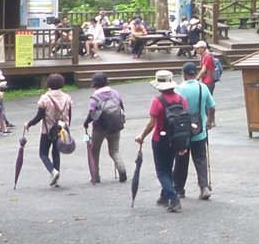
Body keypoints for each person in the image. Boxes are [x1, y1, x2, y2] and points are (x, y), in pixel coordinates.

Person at [134, 69, 188, 212]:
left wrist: (141, 137)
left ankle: (173, 198)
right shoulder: (182, 100)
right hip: (175, 139)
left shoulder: (157, 101)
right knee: (168, 167)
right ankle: (164, 196)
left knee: (162, 171)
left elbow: (151, 124)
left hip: (160, 139)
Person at [20, 73, 73, 187]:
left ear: (48, 83)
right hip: (62, 130)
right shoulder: (67, 98)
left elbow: (39, 116)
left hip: (48, 130)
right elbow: (69, 115)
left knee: (43, 153)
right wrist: (67, 128)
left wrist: (29, 124)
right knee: (56, 152)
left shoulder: (45, 98)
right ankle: (56, 177)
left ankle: (53, 171)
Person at [173, 61, 215, 199]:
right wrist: (210, 121)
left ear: (184, 74)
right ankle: (204, 186)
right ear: (196, 74)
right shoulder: (203, 87)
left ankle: (179, 189)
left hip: (183, 131)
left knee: (181, 160)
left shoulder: (178, 89)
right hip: (200, 130)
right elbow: (212, 107)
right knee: (201, 158)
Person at [83, 72, 128, 184]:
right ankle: (121, 169)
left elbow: (92, 114)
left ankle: (95, 176)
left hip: (99, 128)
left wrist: (86, 123)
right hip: (115, 126)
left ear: (95, 84)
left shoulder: (95, 97)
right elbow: (121, 107)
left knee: (94, 151)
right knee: (114, 150)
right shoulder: (115, 93)